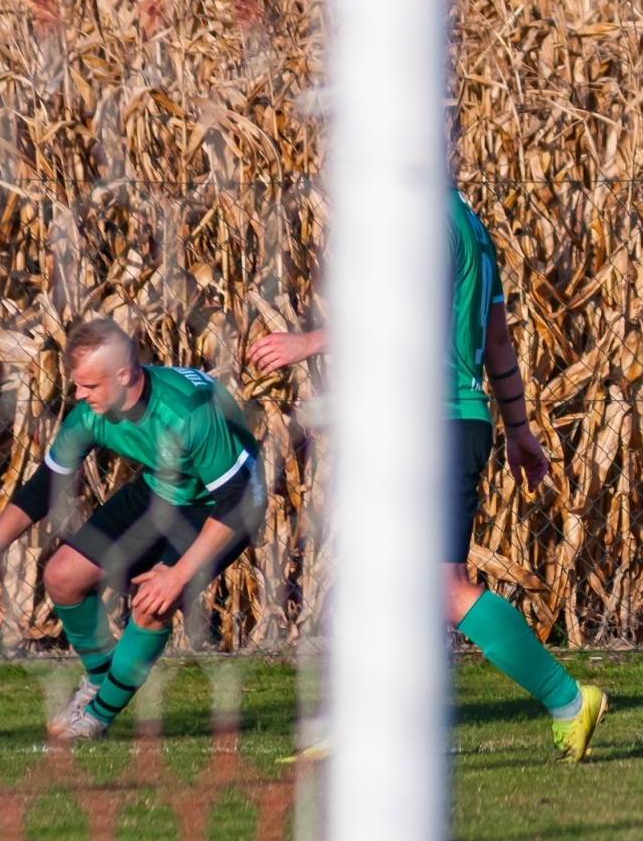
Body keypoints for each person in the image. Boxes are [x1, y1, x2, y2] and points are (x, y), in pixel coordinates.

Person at [248, 186, 608, 762]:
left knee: (444, 587)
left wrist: (307, 342)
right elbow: (497, 341)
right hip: (447, 419)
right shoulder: (471, 221)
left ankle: (569, 700)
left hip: (432, 423)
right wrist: (517, 427)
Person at [0, 317, 265, 740]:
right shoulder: (92, 414)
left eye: (88, 385)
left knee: (153, 603)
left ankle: (95, 719)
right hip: (160, 491)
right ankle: (98, 678)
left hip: (224, 505)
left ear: (124, 375)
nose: (78, 395)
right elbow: (43, 488)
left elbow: (238, 500)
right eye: (76, 385)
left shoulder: (189, 413)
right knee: (62, 576)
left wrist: (177, 575)